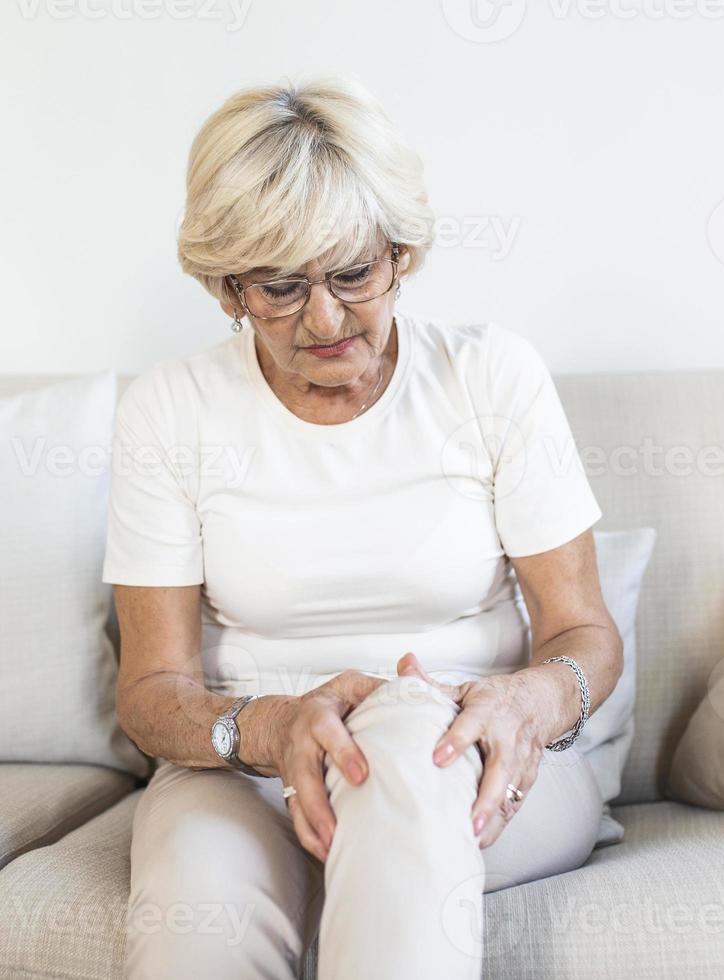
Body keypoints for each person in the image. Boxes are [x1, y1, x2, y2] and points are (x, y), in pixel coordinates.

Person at [102, 76, 622, 980]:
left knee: (402, 746)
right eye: (279, 287)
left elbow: (586, 635)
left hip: (476, 748)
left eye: (353, 273)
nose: (327, 318)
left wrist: (527, 701)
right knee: (199, 918)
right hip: (247, 768)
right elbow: (150, 691)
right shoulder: (171, 408)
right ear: (226, 289)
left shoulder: (490, 376)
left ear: (401, 253)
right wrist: (269, 730)